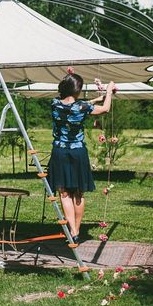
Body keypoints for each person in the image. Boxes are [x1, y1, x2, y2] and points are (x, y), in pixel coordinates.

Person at [47, 73, 115, 244]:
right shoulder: (82, 107)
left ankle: (72, 230)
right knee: (78, 193)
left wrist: (94, 100)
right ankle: (76, 230)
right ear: (78, 90)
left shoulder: (55, 104)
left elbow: (73, 106)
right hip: (77, 153)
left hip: (60, 152)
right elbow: (105, 109)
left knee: (64, 193)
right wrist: (108, 92)